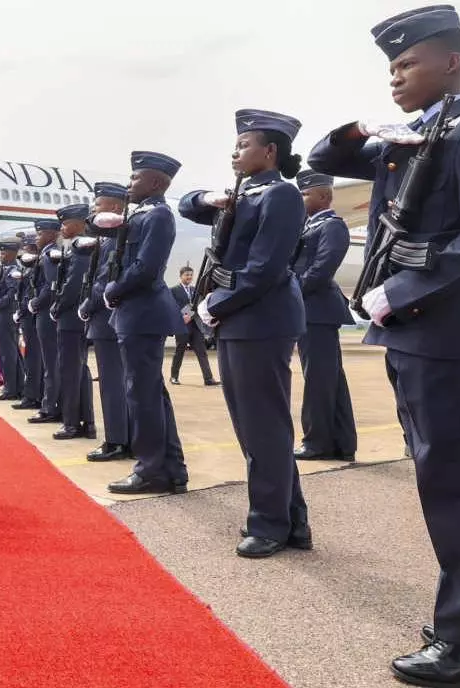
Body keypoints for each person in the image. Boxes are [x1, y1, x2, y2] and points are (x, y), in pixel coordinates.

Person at [309, 5, 460, 684]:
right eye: (389, 67)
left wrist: (402, 290)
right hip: (426, 333)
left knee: (456, 484)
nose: (394, 77)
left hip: (447, 327)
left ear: (454, 64)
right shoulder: (413, 134)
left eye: (407, 63)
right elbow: (322, 159)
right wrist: (365, 129)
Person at [179, 111, 308, 559]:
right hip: (242, 323)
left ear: (270, 151)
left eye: (245, 144)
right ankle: (293, 522)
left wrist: (214, 305)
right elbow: (187, 205)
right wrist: (209, 196)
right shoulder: (239, 194)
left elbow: (265, 269)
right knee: (255, 427)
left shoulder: (282, 196)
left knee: (264, 428)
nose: (235, 151)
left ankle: (269, 524)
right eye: (235, 144)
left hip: (262, 321)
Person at [94, 152, 188, 495]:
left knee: (142, 396)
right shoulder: (140, 215)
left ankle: (151, 470)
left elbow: (147, 268)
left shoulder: (159, 215)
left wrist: (111, 290)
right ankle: (172, 469)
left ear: (155, 183)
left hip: (142, 313)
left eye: (135, 178)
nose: (129, 184)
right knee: (152, 395)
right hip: (135, 313)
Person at [290, 170, 357, 463]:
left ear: (325, 196)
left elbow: (321, 270)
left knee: (318, 378)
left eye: (306, 194)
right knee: (330, 379)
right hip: (312, 310)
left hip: (317, 311)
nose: (301, 199)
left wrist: (291, 294)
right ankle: (341, 442)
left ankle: (316, 442)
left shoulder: (332, 226)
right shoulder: (307, 226)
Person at [79, 182, 132, 462]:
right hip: (105, 321)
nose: (93, 210)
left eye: (98, 205)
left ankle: (117, 440)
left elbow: (104, 282)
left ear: (113, 208)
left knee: (112, 385)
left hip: (106, 321)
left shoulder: (115, 240)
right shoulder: (107, 240)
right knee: (115, 383)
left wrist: (87, 306)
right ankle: (124, 437)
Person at [52, 204, 97, 441]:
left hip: (70, 319)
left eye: (66, 222)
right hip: (75, 319)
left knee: (70, 372)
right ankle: (86, 422)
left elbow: (73, 286)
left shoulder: (80, 249)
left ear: (80, 223)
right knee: (79, 372)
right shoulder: (77, 248)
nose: (62, 227)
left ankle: (71, 424)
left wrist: (57, 308)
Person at [27, 219, 63, 424]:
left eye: (40, 234)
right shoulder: (46, 254)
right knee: (48, 362)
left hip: (46, 315)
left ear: (50, 235)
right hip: (44, 314)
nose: (37, 238)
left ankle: (50, 407)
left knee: (50, 362)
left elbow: (51, 287)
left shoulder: (49, 256)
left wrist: (36, 303)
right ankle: (48, 403)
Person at [169, 266, 219, 386]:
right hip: (182, 326)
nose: (189, 277)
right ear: (181, 276)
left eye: (191, 275)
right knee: (179, 351)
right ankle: (173, 377)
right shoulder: (173, 290)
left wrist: (190, 314)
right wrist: (180, 317)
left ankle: (208, 379)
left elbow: (198, 305)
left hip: (195, 325)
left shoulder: (195, 290)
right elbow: (171, 307)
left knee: (202, 352)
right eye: (187, 275)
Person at [12, 236, 43, 411]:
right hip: (26, 317)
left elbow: (31, 295)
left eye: (29, 249)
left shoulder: (36, 268)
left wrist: (23, 310)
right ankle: (30, 394)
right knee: (30, 358)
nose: (25, 252)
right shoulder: (28, 269)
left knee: (33, 359)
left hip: (31, 318)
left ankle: (32, 396)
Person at [0, 241, 23, 401]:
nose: (1, 256)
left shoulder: (13, 271)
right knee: (8, 351)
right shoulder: (6, 269)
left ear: (12, 254)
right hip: (3, 314)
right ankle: (15, 386)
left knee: (8, 353)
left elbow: (12, 295)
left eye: (4, 253)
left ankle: (10, 389)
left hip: (7, 314)